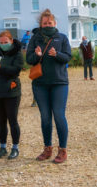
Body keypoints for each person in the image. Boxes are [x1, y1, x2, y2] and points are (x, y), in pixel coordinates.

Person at [26, 9, 72, 163]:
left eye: (49, 23)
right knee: (45, 117)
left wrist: (57, 54)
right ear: (40, 24)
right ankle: (47, 149)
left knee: (59, 116)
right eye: (44, 23)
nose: (47, 25)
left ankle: (63, 150)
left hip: (59, 83)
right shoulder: (35, 39)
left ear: (55, 23)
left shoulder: (62, 38)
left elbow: (68, 57)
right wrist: (37, 55)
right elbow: (29, 59)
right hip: (40, 84)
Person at [0, 30, 23, 159]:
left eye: (5, 42)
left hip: (12, 92)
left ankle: (15, 148)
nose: (3, 44)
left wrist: (1, 68)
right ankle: (2, 147)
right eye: (1, 42)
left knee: (13, 121)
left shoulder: (17, 54)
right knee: (1, 121)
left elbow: (16, 70)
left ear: (11, 41)